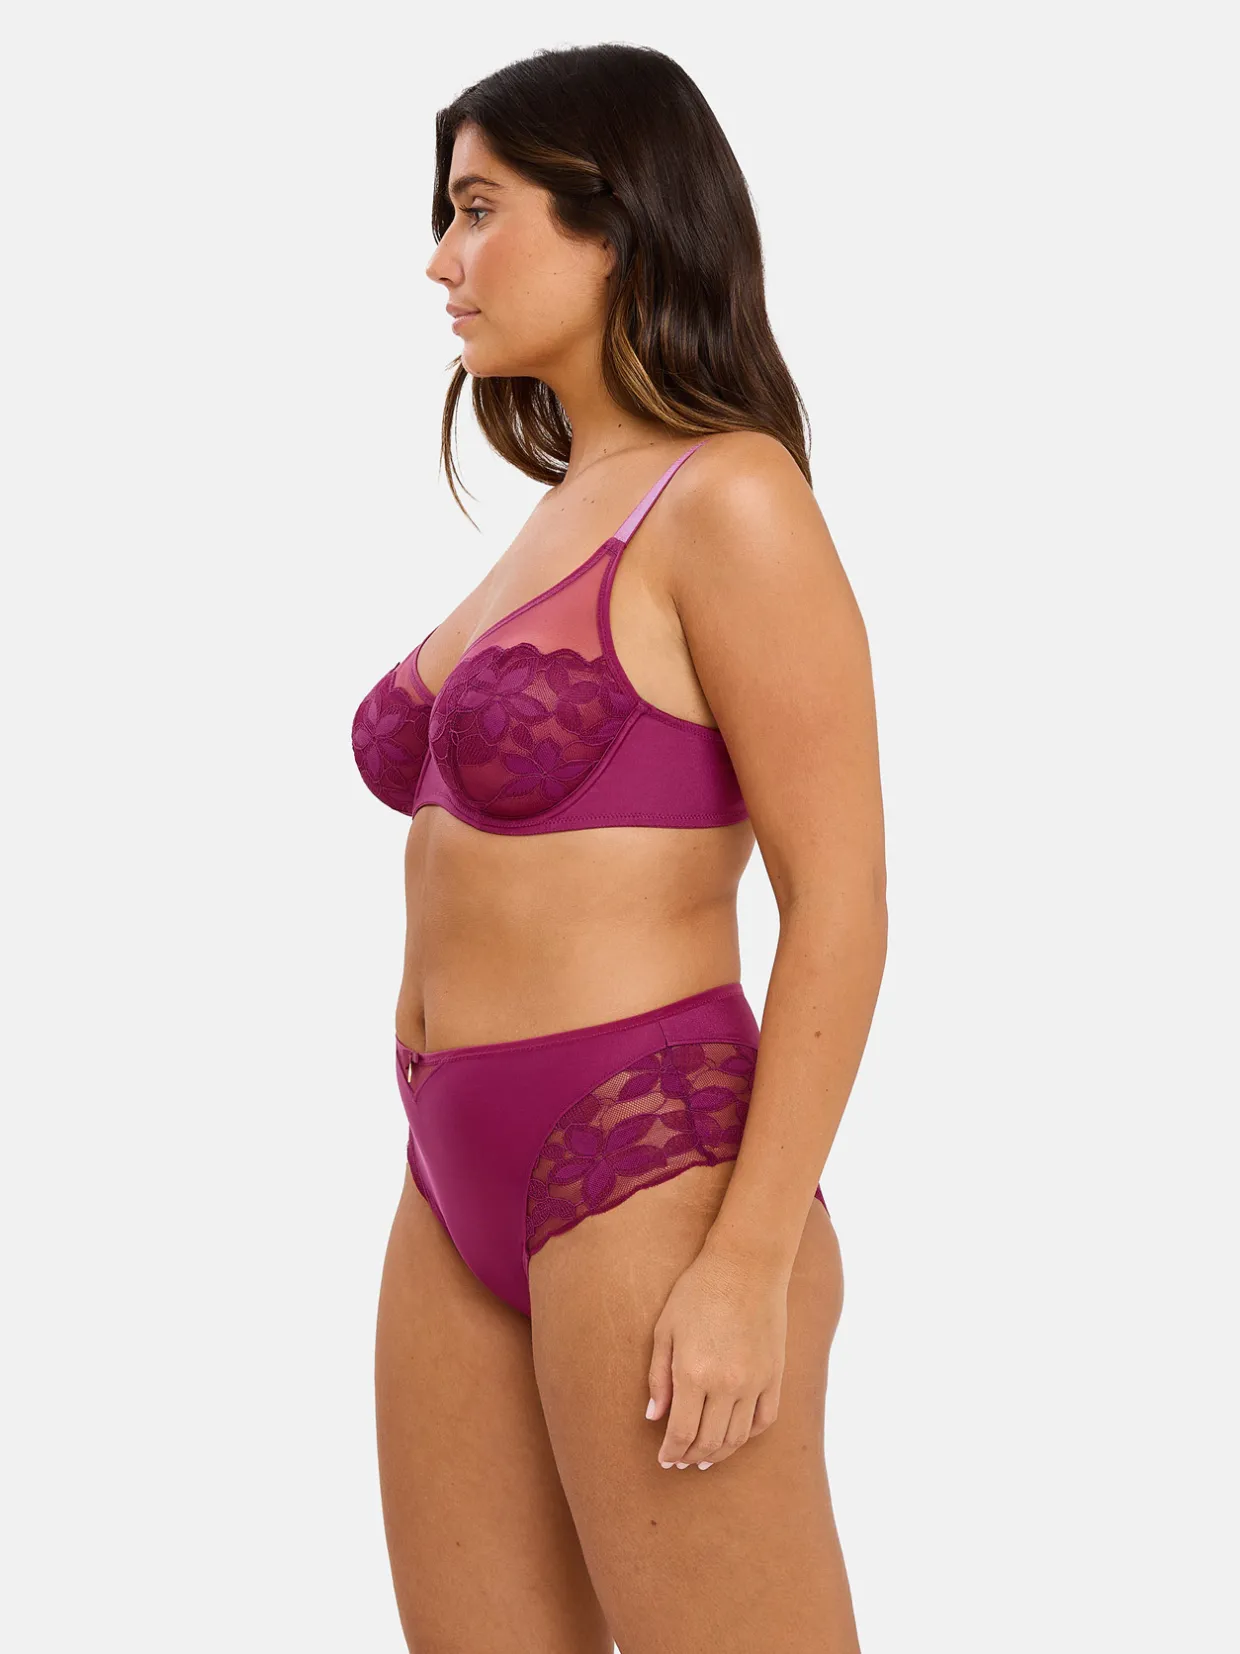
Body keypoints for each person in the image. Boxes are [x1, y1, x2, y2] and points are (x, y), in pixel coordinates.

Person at [352, 42, 887, 1654]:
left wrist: (750, 1257)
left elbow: (840, 900)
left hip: (648, 1164)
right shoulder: (560, 509)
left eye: (478, 210)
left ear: (615, 223)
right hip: (446, 1173)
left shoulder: (731, 500)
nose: (441, 262)